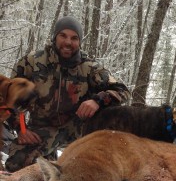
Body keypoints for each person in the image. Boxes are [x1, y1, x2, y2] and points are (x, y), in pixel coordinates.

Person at [5, 16, 130, 172]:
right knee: (16, 165)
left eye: (74, 38)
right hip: (42, 130)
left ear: (79, 42)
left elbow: (122, 91)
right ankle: (48, 155)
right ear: (55, 37)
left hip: (79, 131)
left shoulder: (90, 67)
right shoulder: (31, 62)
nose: (68, 42)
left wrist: (98, 100)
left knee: (89, 175)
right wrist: (21, 127)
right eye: (63, 36)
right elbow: (7, 98)